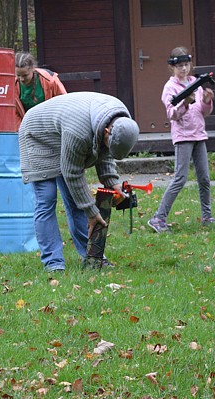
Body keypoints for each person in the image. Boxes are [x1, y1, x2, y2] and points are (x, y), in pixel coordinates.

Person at [19, 92, 140, 272]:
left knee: (77, 203)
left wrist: (112, 182)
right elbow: (72, 173)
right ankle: (54, 263)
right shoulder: (79, 132)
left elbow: (104, 151)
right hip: (37, 133)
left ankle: (91, 256)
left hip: (62, 132)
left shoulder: (119, 119)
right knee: (47, 199)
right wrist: (92, 212)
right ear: (107, 131)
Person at [148, 46, 215, 233]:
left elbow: (204, 112)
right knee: (180, 178)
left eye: (186, 65)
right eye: (180, 66)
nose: (184, 69)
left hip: (199, 135)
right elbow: (172, 114)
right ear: (172, 68)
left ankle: (207, 216)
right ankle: (158, 218)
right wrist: (185, 103)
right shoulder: (169, 88)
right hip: (183, 137)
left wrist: (207, 100)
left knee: (204, 179)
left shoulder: (196, 83)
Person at [14, 52, 67, 128]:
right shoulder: (12, 86)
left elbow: (64, 102)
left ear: (33, 69)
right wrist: (21, 131)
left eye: (25, 75)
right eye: (18, 75)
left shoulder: (50, 80)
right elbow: (14, 113)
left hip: (51, 124)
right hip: (27, 127)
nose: (21, 79)